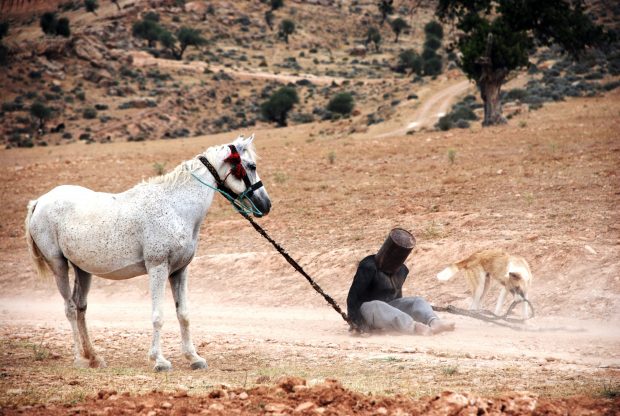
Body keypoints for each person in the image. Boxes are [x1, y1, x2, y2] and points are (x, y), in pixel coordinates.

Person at [347, 228, 455, 335]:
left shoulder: (402, 270)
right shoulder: (368, 266)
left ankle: (434, 322)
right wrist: (357, 324)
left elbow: (397, 298)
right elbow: (353, 298)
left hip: (386, 310)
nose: (394, 259)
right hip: (367, 312)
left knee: (417, 301)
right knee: (377, 305)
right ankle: (414, 327)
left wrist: (397, 315)